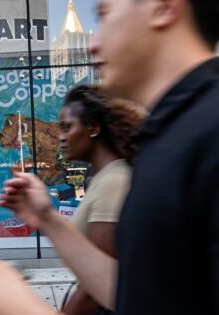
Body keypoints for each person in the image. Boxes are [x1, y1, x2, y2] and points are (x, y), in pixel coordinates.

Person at [0, 0, 219, 314]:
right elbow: (135, 292)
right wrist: (48, 220)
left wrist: (16, 308)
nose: (94, 44)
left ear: (163, 7)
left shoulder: (207, 133)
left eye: (105, 14)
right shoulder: (168, 136)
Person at [57, 85, 142, 315]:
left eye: (67, 127)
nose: (61, 137)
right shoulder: (103, 178)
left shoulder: (113, 181)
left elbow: (97, 288)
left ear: (93, 128)